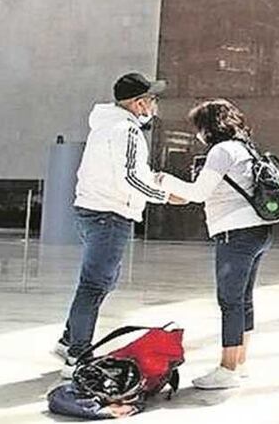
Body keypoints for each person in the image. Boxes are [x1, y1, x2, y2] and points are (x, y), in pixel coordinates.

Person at [55, 72, 184, 376]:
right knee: (95, 284)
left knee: (99, 281)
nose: (153, 105)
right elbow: (128, 178)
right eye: (151, 99)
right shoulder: (125, 130)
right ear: (138, 103)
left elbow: (125, 171)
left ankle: (69, 338)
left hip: (93, 210)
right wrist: (165, 196)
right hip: (110, 214)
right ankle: (77, 353)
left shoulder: (105, 126)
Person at [155, 99, 274, 389]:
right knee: (243, 301)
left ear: (209, 127)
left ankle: (227, 369)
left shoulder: (221, 151)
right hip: (259, 231)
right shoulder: (245, 148)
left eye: (199, 127)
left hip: (235, 235)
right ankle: (240, 362)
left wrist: (163, 180)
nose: (198, 134)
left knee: (230, 302)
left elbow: (198, 193)